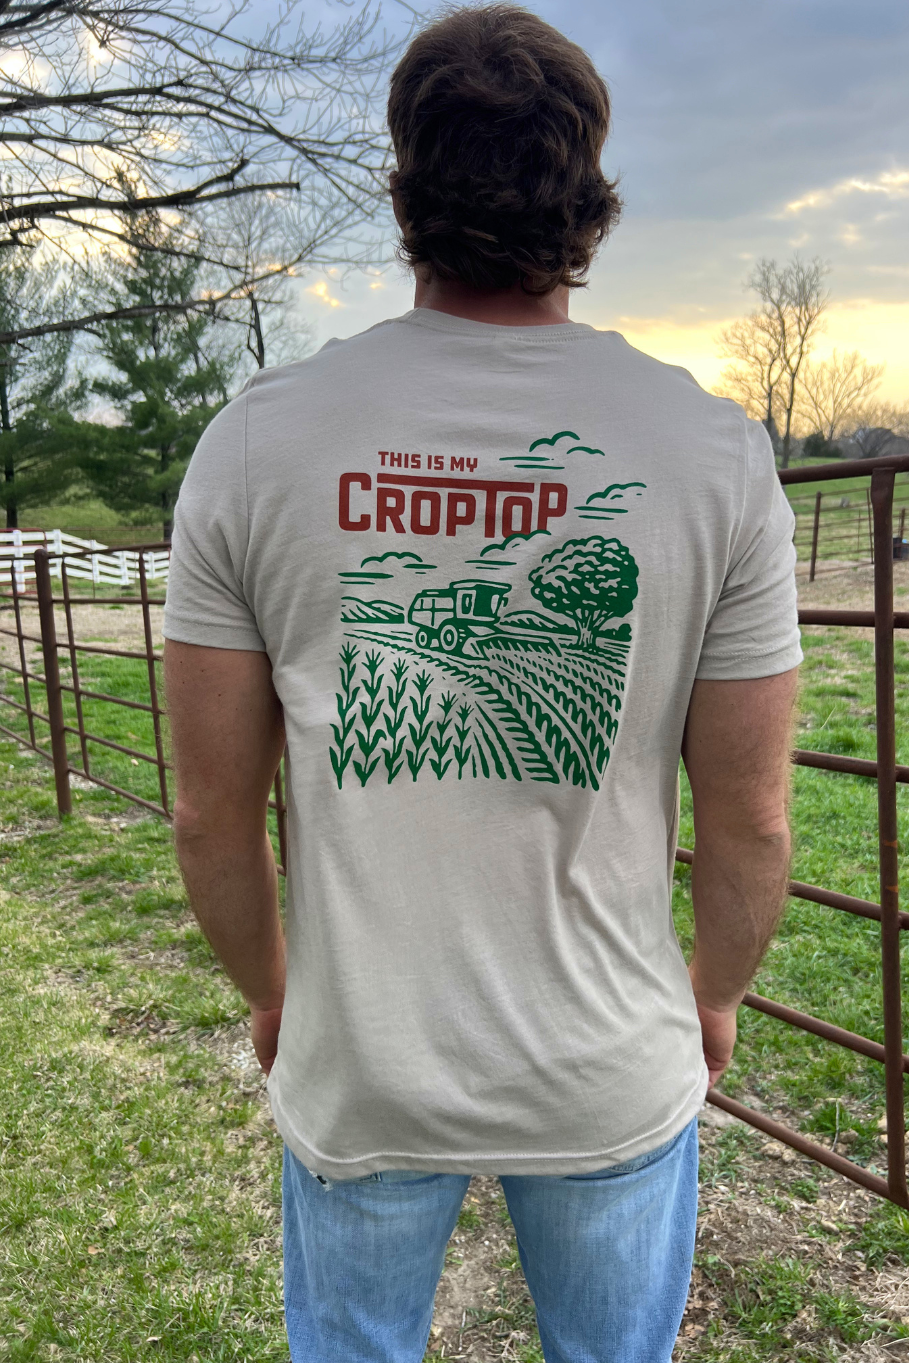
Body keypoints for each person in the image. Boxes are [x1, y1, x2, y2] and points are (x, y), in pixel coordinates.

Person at [163, 6, 801, 1360]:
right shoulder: (711, 454)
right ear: (589, 195)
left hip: (364, 1065)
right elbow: (750, 817)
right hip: (609, 1065)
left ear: (405, 188)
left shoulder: (257, 443)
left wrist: (280, 991)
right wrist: (717, 994)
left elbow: (209, 812)